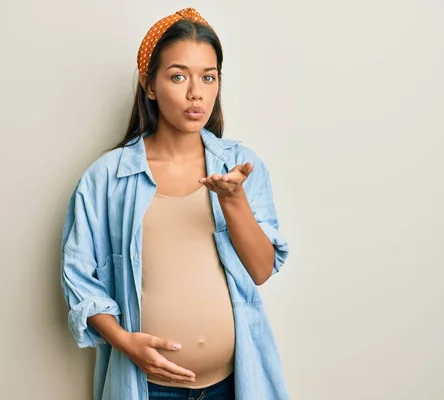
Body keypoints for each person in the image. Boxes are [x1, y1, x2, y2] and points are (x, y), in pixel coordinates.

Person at [61, 8, 290, 400]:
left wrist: (234, 201)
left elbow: (261, 270)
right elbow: (79, 278)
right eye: (178, 76)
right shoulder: (106, 177)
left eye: (209, 76)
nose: (196, 92)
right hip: (147, 387)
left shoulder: (240, 167)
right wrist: (124, 341)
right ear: (149, 85)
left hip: (234, 384)